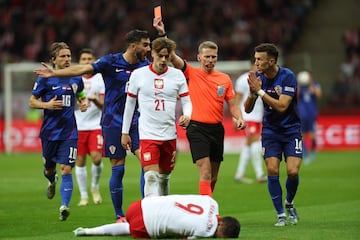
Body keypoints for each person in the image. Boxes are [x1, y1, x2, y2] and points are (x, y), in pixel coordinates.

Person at [34, 29, 152, 222]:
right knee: (118, 168)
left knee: (148, 164)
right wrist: (55, 73)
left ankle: (148, 211)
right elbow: (81, 70)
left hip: (137, 121)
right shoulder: (110, 62)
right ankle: (119, 215)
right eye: (145, 45)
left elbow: (167, 64)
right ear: (133, 45)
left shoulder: (146, 65)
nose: (148, 49)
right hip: (113, 122)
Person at [153, 18, 246, 197]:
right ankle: (206, 216)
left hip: (217, 129)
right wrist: (161, 33)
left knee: (213, 178)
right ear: (199, 58)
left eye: (213, 57)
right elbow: (172, 57)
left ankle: (206, 206)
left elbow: (232, 104)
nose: (210, 60)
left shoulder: (224, 79)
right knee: (205, 172)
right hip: (196, 128)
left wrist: (239, 117)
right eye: (207, 57)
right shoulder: (191, 72)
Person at [121, 37, 192, 197]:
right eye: (160, 55)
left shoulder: (177, 76)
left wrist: (187, 115)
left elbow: (187, 101)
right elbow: (130, 105)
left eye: (167, 56)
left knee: (164, 178)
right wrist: (125, 132)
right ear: (152, 53)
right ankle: (150, 214)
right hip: (148, 134)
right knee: (151, 176)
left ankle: (163, 212)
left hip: (169, 135)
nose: (163, 60)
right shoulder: (139, 75)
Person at [29, 42, 88, 221]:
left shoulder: (76, 77)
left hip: (69, 132)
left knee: (67, 168)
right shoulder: (45, 79)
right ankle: (51, 180)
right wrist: (46, 105)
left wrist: (83, 102)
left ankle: (64, 206)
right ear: (53, 60)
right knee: (49, 169)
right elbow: (32, 102)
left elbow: (81, 94)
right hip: (49, 132)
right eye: (62, 56)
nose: (67, 59)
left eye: (69, 56)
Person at [245, 43, 302, 227]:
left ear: (271, 61)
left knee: (292, 172)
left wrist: (260, 91)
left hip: (291, 129)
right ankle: (280, 215)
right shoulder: (257, 78)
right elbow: (247, 109)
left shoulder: (287, 77)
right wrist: (253, 93)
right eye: (255, 59)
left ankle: (289, 203)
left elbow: (282, 106)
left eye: (259, 59)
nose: (256, 63)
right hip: (270, 131)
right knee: (272, 170)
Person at [73, 194, 240, 238]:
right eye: (220, 237)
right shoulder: (206, 230)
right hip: (145, 226)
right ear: (221, 225)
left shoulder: (211, 202)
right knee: (132, 230)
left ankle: (87, 231)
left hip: (140, 205)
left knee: (129, 227)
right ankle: (87, 231)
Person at [74, 48, 105, 206]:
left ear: (93, 61)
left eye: (89, 59)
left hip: (96, 125)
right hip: (78, 126)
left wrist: (95, 100)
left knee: (97, 158)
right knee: (79, 161)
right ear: (79, 62)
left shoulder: (99, 78)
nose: (86, 62)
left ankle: (94, 186)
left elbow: (104, 106)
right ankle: (84, 195)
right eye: (83, 59)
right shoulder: (74, 78)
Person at [234, 63, 267, 184]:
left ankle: (239, 174)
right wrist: (236, 118)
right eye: (257, 63)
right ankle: (259, 174)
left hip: (258, 116)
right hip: (248, 116)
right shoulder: (243, 79)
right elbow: (237, 99)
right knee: (255, 141)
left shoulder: (264, 78)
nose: (259, 66)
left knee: (248, 144)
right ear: (252, 65)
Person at [297, 70, 322, 164]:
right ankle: (305, 154)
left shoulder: (314, 84)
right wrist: (299, 84)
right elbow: (296, 96)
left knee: (312, 134)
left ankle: (313, 151)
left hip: (312, 113)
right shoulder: (299, 86)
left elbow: (319, 94)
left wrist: (311, 85)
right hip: (302, 114)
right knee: (302, 135)